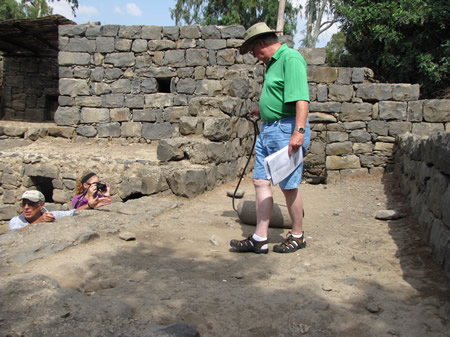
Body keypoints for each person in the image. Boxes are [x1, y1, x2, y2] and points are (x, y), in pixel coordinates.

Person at [230, 22, 311, 254]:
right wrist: (262, 109)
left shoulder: (290, 58)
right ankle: (260, 238)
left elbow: (301, 100)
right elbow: (278, 95)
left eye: (253, 51)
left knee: (288, 186)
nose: (254, 56)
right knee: (260, 181)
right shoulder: (271, 64)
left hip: (286, 130)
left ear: (261, 44)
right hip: (269, 129)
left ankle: (297, 236)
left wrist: (299, 131)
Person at [9, 190, 76, 231]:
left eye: (31, 204)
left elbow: (72, 212)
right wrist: (40, 221)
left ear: (41, 205)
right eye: (24, 204)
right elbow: (16, 234)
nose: (26, 207)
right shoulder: (16, 221)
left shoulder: (49, 215)